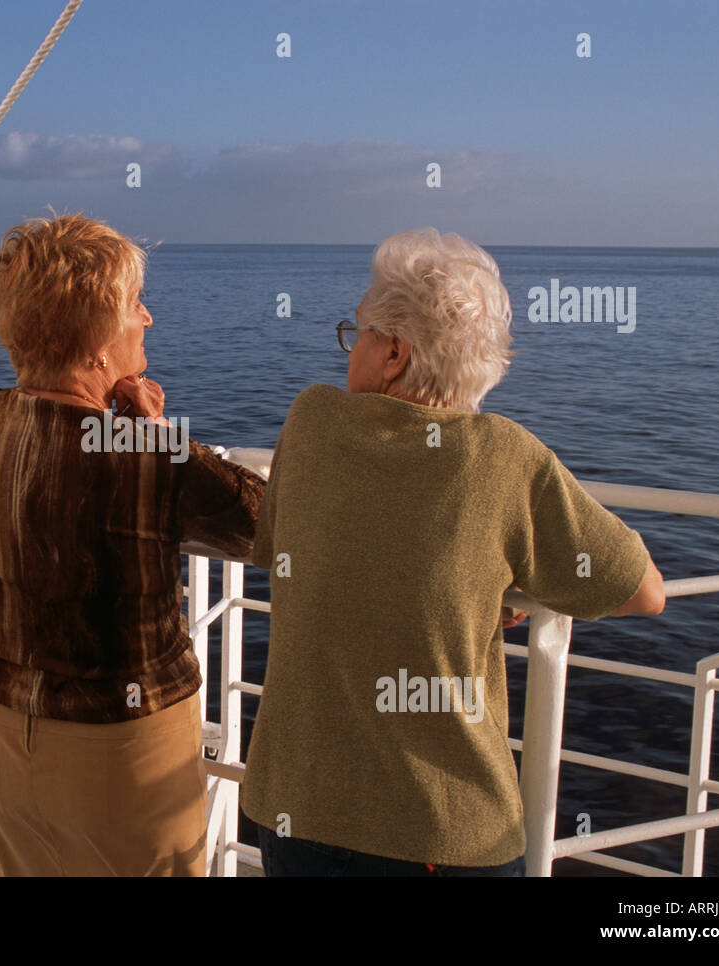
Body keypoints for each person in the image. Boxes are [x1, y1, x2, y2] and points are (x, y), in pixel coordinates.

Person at [241, 227, 665, 876]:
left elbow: (291, 550)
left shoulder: (311, 421)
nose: (348, 354)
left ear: (394, 354)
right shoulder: (506, 456)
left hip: (296, 815)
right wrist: (485, 589)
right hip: (440, 832)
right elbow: (643, 590)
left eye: (357, 336)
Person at [0, 212, 265, 876]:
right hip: (122, 747)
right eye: (133, 304)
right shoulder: (144, 453)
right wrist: (155, 429)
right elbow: (264, 524)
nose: (148, 318)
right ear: (99, 345)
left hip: (5, 727)